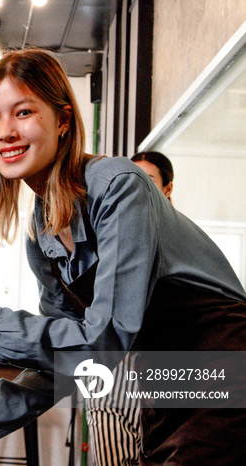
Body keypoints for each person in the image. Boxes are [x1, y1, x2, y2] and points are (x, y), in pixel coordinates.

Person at [0, 48, 246, 465]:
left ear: (63, 120)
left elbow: (103, 344)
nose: (5, 132)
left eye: (23, 112)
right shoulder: (41, 231)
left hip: (226, 368)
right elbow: (62, 365)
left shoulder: (119, 187)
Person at [85, 151, 174, 466]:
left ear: (167, 190)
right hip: (113, 371)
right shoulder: (108, 232)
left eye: (147, 182)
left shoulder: (181, 242)